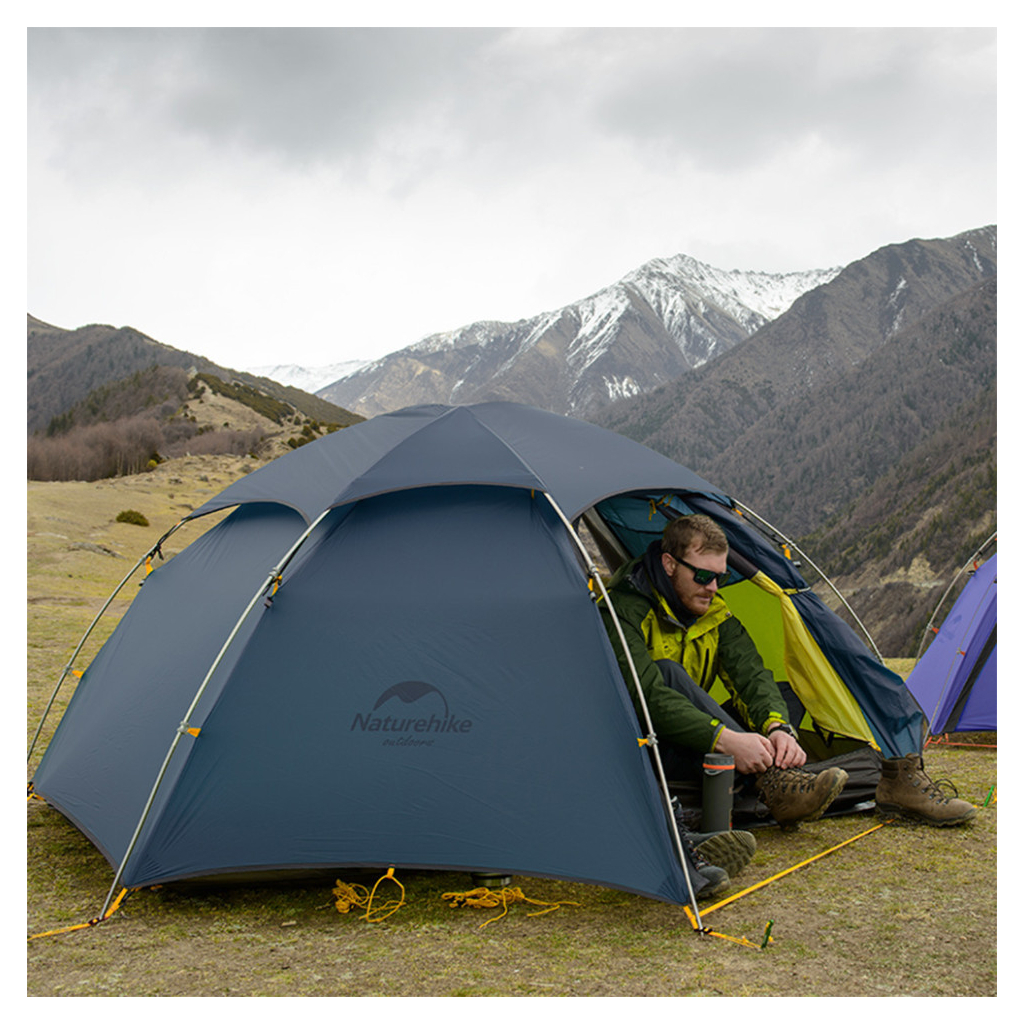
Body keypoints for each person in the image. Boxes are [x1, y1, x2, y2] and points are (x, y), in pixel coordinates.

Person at [600, 514, 976, 840]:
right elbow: (646, 695)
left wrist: (779, 728)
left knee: (786, 694)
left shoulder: (714, 611)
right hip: (643, 745)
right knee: (668, 673)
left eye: (720, 576)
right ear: (669, 564)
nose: (712, 587)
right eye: (702, 575)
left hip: (696, 737)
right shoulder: (625, 610)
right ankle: (774, 784)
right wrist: (726, 738)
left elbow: (751, 677)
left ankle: (860, 777)